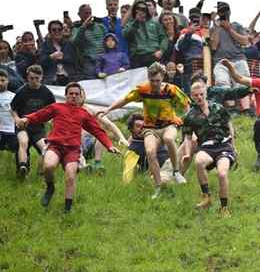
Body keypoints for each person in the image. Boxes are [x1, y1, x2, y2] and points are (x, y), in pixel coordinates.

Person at [14, 82, 119, 212]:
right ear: (66, 95)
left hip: (72, 150)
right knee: (49, 166)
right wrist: (27, 119)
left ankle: (67, 209)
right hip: (55, 146)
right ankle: (50, 188)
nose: (74, 96)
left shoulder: (83, 113)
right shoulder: (56, 107)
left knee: (70, 176)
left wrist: (109, 145)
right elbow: (39, 115)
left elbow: (98, 131)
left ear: (81, 96)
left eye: (77, 94)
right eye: (71, 94)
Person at [98, 62, 190, 198]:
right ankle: (158, 187)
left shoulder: (171, 90)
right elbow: (125, 100)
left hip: (168, 124)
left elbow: (186, 104)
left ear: (163, 78)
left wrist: (189, 119)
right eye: (152, 81)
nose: (155, 84)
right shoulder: (143, 90)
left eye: (158, 81)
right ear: (148, 79)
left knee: (169, 139)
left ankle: (176, 171)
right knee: (150, 151)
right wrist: (108, 109)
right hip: (150, 128)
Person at [182, 82, 237, 217]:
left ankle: (224, 208)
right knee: (199, 161)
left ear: (206, 94)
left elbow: (230, 126)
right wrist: (187, 154)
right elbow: (188, 137)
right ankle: (206, 196)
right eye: (196, 95)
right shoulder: (190, 116)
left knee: (222, 174)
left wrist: (234, 147)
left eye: (201, 94)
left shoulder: (218, 108)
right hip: (206, 147)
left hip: (224, 145)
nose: (199, 97)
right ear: (191, 97)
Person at [10, 65, 55, 177]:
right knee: (23, 142)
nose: (34, 81)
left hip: (38, 127)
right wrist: (17, 119)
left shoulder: (47, 92)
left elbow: (53, 110)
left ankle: (41, 172)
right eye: (31, 78)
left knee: (45, 149)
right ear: (27, 77)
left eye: (37, 78)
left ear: (42, 77)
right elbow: (13, 109)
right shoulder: (21, 91)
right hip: (23, 125)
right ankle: (23, 167)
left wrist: (51, 122)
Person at [210, 2, 252, 114]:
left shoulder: (237, 25)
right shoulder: (215, 28)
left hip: (238, 59)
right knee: (222, 82)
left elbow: (245, 41)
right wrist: (216, 26)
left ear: (229, 11)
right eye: (221, 11)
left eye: (225, 10)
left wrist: (229, 29)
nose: (223, 13)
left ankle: (246, 110)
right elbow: (213, 46)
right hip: (221, 61)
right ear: (218, 13)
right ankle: (231, 110)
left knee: (243, 83)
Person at [124, 0, 168, 69]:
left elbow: (164, 37)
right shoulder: (130, 24)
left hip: (154, 55)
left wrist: (161, 50)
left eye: (143, 9)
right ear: (135, 10)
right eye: (138, 8)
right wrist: (136, 22)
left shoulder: (155, 22)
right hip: (137, 57)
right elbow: (126, 36)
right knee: (140, 80)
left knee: (156, 78)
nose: (141, 11)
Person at [71, 4, 108, 79]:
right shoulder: (77, 29)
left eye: (90, 13)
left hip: (103, 60)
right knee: (92, 84)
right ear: (79, 15)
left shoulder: (100, 26)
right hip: (89, 63)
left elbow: (108, 41)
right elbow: (75, 42)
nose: (88, 15)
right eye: (86, 13)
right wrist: (83, 27)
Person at [39, 21, 77, 85]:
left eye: (59, 29)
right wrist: (50, 57)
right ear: (50, 32)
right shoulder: (45, 45)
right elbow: (41, 62)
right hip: (52, 79)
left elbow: (74, 59)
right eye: (54, 30)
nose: (57, 32)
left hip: (69, 78)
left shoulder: (69, 44)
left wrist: (63, 58)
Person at [0, 70, 17, 155]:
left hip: (11, 130)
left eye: (3, 80)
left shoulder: (13, 96)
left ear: (8, 81)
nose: (0, 83)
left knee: (14, 151)